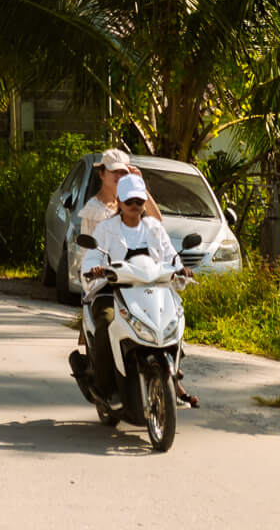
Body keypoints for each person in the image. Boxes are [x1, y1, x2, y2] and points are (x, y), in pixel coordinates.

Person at [81, 173, 194, 406]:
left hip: (151, 291)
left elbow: (171, 256)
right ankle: (105, 388)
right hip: (111, 291)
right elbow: (91, 257)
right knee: (105, 322)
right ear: (120, 202)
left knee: (175, 316)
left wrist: (181, 270)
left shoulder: (154, 227)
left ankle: (173, 367)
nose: (135, 207)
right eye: (129, 202)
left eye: (139, 202)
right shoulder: (105, 229)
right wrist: (96, 270)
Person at [79, 148, 162, 242]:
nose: (119, 176)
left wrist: (140, 184)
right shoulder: (94, 210)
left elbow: (156, 220)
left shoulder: (127, 202)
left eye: (123, 172)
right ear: (101, 174)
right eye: (114, 171)